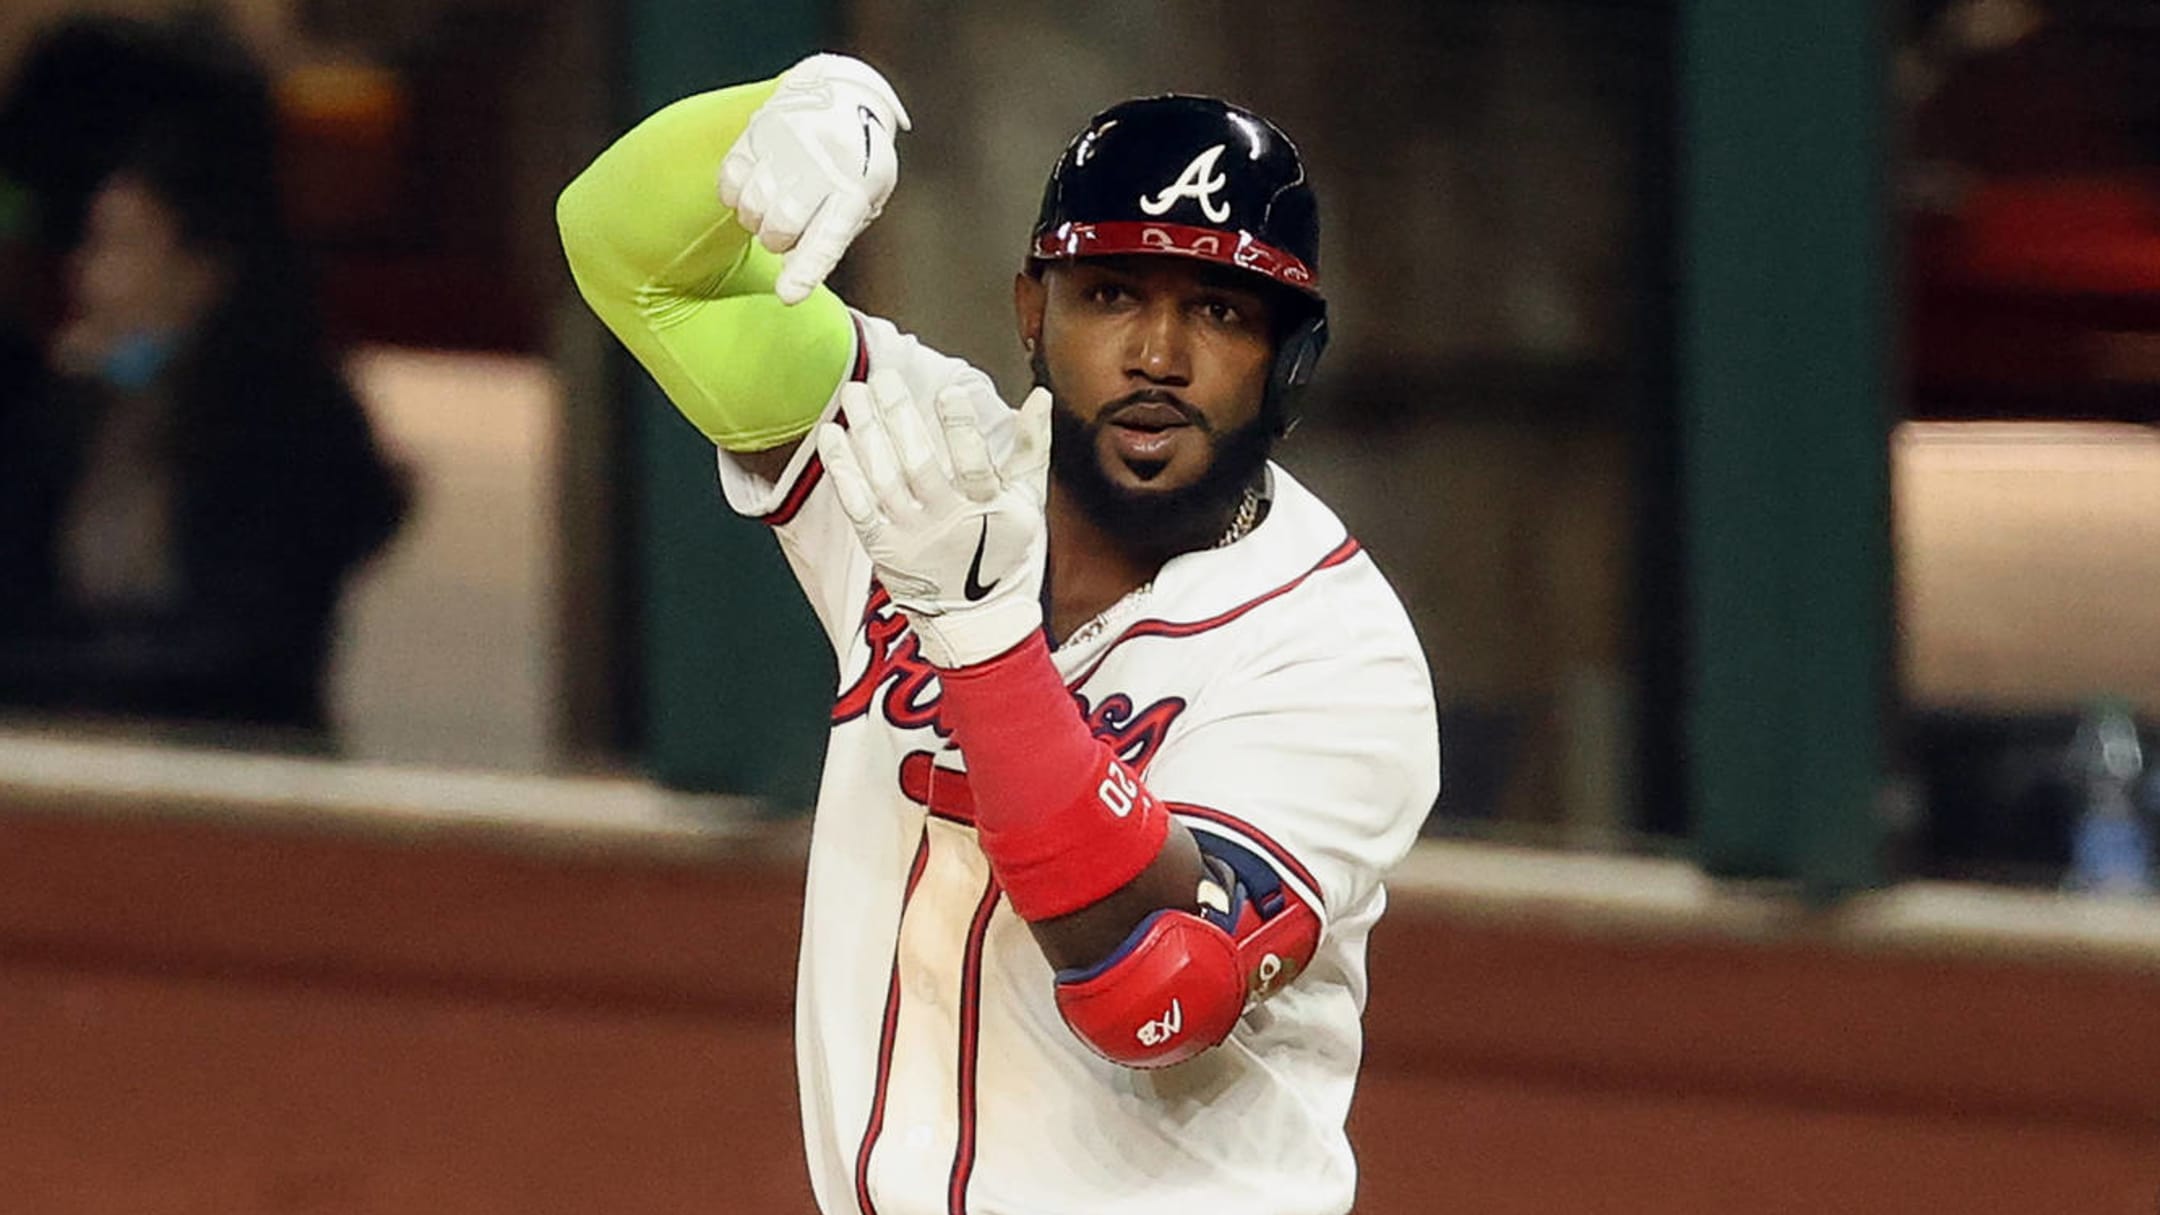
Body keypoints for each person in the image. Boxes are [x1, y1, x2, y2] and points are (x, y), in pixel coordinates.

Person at [559, 53, 1438, 1213]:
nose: (1156, 357)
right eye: (1112, 295)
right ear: (1035, 311)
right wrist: (778, 117)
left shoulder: (1332, 651)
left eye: (1217, 311)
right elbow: (630, 258)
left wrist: (982, 648)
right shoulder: (927, 464)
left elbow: (1154, 989)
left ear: (1290, 361)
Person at [0, 123, 408, 734]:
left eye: (123, 245)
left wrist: (68, 676)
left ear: (201, 269)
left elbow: (252, 636)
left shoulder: (290, 427)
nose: (88, 276)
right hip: (68, 748)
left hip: (228, 756)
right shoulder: (70, 411)